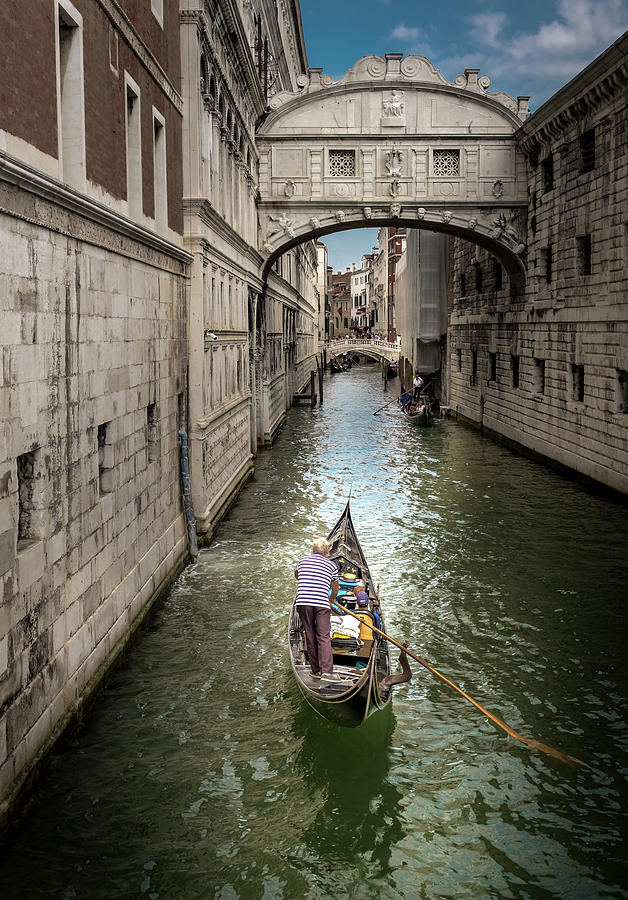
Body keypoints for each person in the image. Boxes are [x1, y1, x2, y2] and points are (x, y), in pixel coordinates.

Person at [294, 538, 341, 681]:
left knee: (310, 634)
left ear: (313, 551)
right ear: (327, 552)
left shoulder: (302, 561)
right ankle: (326, 672)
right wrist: (331, 598)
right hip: (321, 603)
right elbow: (336, 587)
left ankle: (315, 670)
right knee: (324, 637)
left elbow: (297, 576)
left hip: (303, 602)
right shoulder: (332, 566)